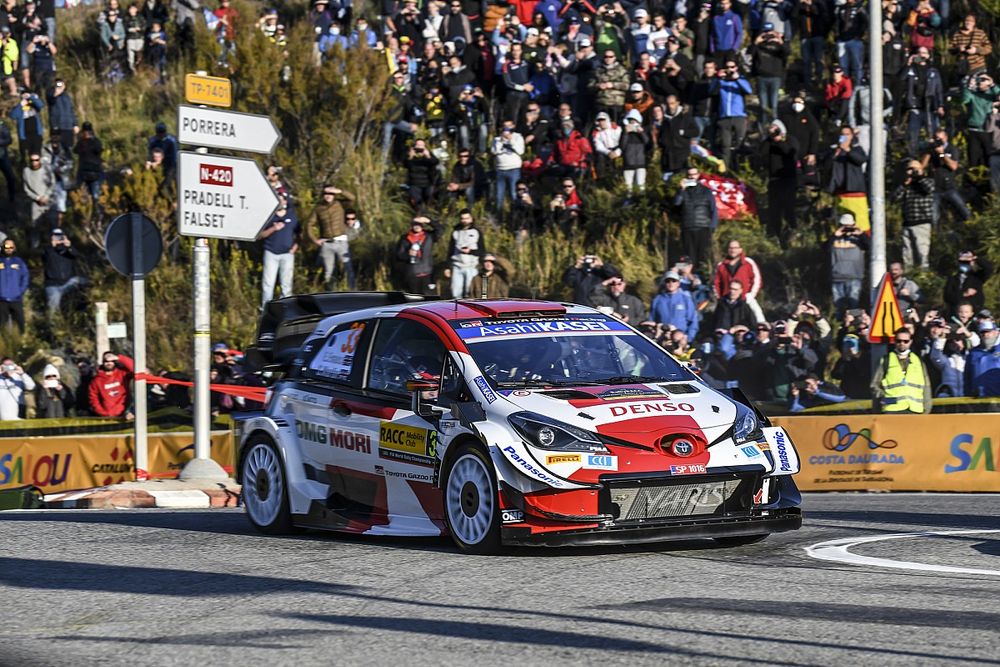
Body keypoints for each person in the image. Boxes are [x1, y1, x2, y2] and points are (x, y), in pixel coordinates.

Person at [305, 184, 357, 291]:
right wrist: (315, 240)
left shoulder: (340, 204)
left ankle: (352, 292)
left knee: (348, 270)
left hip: (341, 243)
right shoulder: (318, 209)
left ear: (334, 194)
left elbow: (352, 198)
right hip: (327, 244)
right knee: (328, 273)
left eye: (330, 193)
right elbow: (309, 224)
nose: (328, 196)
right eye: (326, 193)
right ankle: (331, 296)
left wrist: (339, 190)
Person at [871, 328, 932, 413]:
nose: (902, 343)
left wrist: (926, 410)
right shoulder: (886, 360)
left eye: (905, 341)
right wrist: (886, 399)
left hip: (915, 410)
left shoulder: (918, 362)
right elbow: (875, 385)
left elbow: (926, 388)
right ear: (895, 341)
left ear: (910, 341)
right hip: (892, 411)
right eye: (898, 341)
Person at [760, 119, 799, 244]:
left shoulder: (790, 140)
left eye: (776, 128)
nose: (774, 131)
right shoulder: (768, 143)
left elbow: (790, 153)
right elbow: (761, 154)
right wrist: (769, 139)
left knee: (789, 207)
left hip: (788, 179)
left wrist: (780, 140)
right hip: (774, 180)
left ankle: (792, 229)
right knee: (774, 209)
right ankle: (774, 233)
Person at [673, 167, 717, 275]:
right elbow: (676, 203)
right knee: (687, 256)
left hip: (703, 228)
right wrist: (681, 189)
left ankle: (703, 278)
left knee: (703, 255)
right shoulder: (683, 191)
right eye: (689, 175)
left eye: (694, 174)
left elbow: (713, 210)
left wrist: (712, 227)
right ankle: (687, 278)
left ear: (698, 175)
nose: (691, 177)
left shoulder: (706, 191)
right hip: (687, 227)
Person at [892, 159, 935, 270]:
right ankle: (909, 275)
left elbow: (930, 189)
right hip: (907, 223)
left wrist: (919, 177)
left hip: (922, 222)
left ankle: (924, 276)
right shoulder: (906, 185)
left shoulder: (927, 181)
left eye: (915, 168)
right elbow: (894, 198)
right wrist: (904, 184)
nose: (912, 171)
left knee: (922, 252)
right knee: (907, 253)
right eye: (910, 169)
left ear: (921, 169)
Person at [710, 58, 752, 171]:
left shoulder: (741, 80)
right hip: (724, 117)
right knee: (725, 145)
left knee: (740, 143)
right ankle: (726, 170)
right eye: (727, 67)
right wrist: (717, 78)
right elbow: (711, 91)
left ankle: (741, 168)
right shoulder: (721, 81)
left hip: (739, 116)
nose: (729, 69)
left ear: (736, 68)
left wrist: (737, 78)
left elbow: (749, 90)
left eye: (732, 67)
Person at [922, 128, 970, 223]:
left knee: (963, 209)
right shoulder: (931, 150)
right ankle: (935, 233)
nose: (939, 141)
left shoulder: (952, 149)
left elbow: (953, 166)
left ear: (946, 138)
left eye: (941, 138)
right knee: (933, 216)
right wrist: (929, 149)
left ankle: (968, 225)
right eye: (937, 138)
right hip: (935, 187)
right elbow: (922, 165)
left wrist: (942, 154)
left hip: (949, 186)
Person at [259, 197, 298, 307]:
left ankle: (286, 309)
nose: (280, 202)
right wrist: (273, 229)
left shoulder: (292, 216)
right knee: (268, 284)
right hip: (271, 253)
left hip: (287, 254)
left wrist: (295, 247)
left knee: (286, 284)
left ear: (286, 201)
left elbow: (299, 234)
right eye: (277, 199)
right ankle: (265, 308)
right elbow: (260, 235)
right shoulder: (269, 216)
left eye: (282, 199)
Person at [713, 240, 764, 323]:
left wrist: (751, 295)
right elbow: (716, 283)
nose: (733, 250)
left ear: (740, 249)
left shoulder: (748, 262)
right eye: (731, 248)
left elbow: (757, 279)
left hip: (747, 300)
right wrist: (720, 298)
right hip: (727, 302)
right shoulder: (721, 265)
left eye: (736, 248)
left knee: (759, 321)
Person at [827, 213, 868, 315]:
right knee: (838, 306)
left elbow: (871, 246)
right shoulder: (834, 238)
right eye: (844, 226)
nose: (847, 229)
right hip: (837, 277)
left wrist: (861, 234)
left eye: (849, 226)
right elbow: (824, 248)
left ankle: (854, 325)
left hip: (855, 276)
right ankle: (840, 326)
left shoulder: (859, 239)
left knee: (854, 305)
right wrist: (834, 235)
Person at [445, 208, 485, 299]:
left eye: (467, 218)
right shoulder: (455, 232)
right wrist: (447, 267)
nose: (464, 220)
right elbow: (450, 250)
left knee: (470, 292)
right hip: (457, 266)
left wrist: (470, 251)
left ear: (471, 219)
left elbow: (482, 251)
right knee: (455, 293)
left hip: (471, 266)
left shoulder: (477, 232)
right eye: (462, 218)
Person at [395, 215, 440, 294]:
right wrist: (408, 255)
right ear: (411, 225)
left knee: (428, 300)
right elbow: (399, 255)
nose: (417, 226)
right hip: (412, 274)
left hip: (428, 273)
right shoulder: (404, 238)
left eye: (419, 224)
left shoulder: (429, 236)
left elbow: (440, 229)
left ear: (423, 225)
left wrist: (429, 221)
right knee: (414, 299)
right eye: (415, 224)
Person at [43, 228, 85, 313]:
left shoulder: (68, 250)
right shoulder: (48, 250)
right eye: (56, 237)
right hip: (53, 284)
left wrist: (69, 246)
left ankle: (80, 311)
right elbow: (45, 257)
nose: (58, 239)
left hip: (68, 281)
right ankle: (54, 324)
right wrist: (52, 246)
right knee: (53, 308)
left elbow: (77, 255)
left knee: (83, 282)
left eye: (60, 237)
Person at [650, 270, 699, 341]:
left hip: (680, 339)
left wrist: (688, 338)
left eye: (674, 281)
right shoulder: (657, 300)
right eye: (668, 281)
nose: (671, 283)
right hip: (662, 338)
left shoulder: (686, 300)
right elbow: (652, 319)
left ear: (678, 283)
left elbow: (693, 321)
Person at [943, 250, 993, 316]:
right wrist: (963, 294)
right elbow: (947, 296)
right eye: (962, 262)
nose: (964, 264)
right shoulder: (952, 279)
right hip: (956, 313)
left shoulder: (977, 277)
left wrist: (975, 258)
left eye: (967, 262)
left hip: (974, 312)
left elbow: (989, 268)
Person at [490, 119, 524, 214]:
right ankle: (498, 214)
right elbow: (494, 152)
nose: (506, 128)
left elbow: (521, 151)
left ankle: (516, 214)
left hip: (514, 169)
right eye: (505, 126)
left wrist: (511, 140)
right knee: (499, 195)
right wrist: (501, 140)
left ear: (513, 126)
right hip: (500, 170)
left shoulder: (518, 137)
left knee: (514, 193)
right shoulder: (496, 139)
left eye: (509, 125)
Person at [89, 351, 134, 418]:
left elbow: (135, 369)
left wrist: (119, 358)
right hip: (108, 417)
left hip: (126, 414)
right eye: (106, 361)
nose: (109, 363)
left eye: (111, 361)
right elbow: (93, 398)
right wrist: (103, 413)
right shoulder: (96, 380)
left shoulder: (123, 374)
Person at [22, 152, 53, 245]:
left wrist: (46, 196)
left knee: (51, 223)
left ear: (40, 160)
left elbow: (52, 183)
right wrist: (37, 198)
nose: (34, 162)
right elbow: (26, 188)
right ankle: (35, 245)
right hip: (36, 202)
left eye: (36, 160)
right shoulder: (26, 171)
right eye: (32, 160)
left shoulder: (46, 169)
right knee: (35, 224)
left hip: (48, 200)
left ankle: (51, 244)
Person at [965, 320, 1000, 397]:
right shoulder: (973, 353)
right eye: (982, 332)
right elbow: (967, 378)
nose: (985, 335)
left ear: (996, 332)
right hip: (978, 400)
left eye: (988, 332)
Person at [0, 238, 29, 330]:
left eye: (11, 246)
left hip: (16, 298)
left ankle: (21, 342)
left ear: (14, 248)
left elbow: (25, 277)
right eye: (6, 246)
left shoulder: (19, 262)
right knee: (2, 325)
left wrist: (20, 291)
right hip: (1, 299)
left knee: (20, 323)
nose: (9, 249)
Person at [403, 138, 439, 209]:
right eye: (418, 145)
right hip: (415, 183)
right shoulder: (411, 155)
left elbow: (435, 162)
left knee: (430, 195)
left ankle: (429, 211)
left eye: (421, 145)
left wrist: (428, 156)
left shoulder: (428, 154)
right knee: (416, 199)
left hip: (427, 183)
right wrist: (410, 156)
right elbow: (405, 165)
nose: (419, 147)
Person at [74, 121, 104, 202]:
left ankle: (97, 211)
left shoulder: (95, 141)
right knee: (83, 197)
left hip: (95, 172)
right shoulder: (81, 142)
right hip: (83, 173)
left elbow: (99, 150)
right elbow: (76, 150)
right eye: (85, 132)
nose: (86, 134)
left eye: (88, 132)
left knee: (96, 196)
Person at [46, 78, 77, 152]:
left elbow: (71, 110)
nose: (59, 85)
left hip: (68, 126)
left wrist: (75, 124)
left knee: (68, 148)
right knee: (57, 148)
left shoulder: (67, 96)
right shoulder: (50, 93)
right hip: (57, 125)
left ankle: (68, 161)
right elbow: (51, 99)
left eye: (61, 84)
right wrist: (56, 91)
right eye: (57, 84)